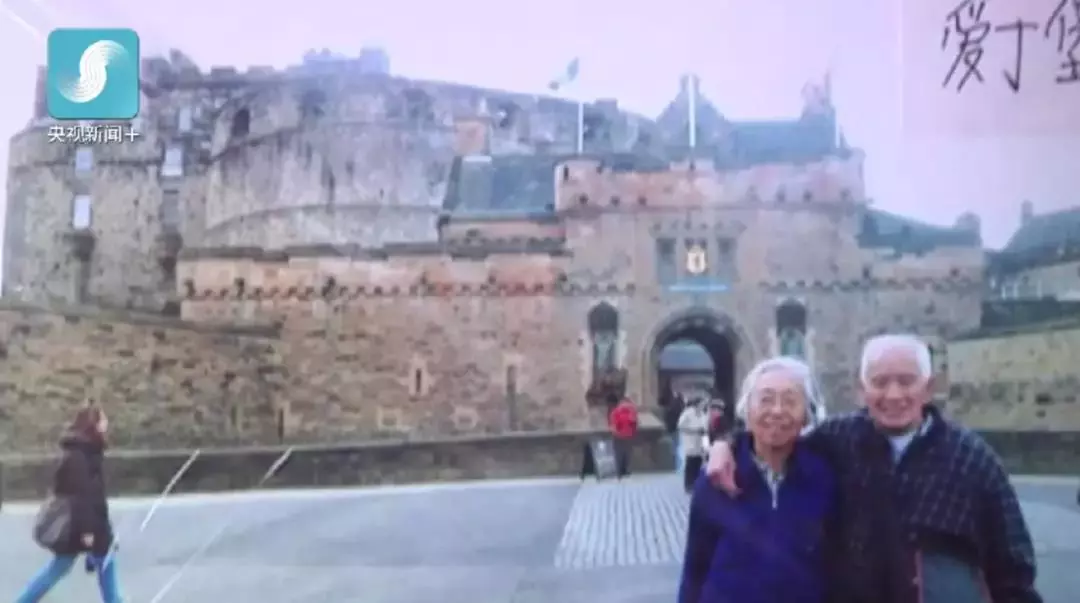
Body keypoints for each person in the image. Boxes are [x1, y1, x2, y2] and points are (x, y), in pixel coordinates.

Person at [704, 335, 1042, 603]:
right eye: (880, 382)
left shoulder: (971, 459)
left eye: (906, 381)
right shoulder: (837, 440)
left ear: (928, 388)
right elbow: (776, 439)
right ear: (861, 390)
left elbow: (1013, 568)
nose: (893, 395)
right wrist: (725, 445)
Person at [678, 356, 837, 603]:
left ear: (806, 415)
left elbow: (835, 565)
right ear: (747, 410)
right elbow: (695, 567)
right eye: (766, 399)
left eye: (790, 401)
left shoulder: (823, 478)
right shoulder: (716, 480)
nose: (777, 411)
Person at [17, 403, 123, 603]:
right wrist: (88, 532)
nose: (107, 422)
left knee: (92, 565)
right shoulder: (79, 456)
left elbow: (96, 496)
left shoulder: (89, 451)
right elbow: (81, 497)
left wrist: (106, 529)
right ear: (94, 424)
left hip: (92, 523)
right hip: (81, 524)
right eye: (103, 419)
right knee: (67, 567)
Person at [676, 399, 709, 493]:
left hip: (699, 441)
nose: (703, 405)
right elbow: (680, 426)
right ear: (697, 404)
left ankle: (695, 483)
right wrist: (693, 430)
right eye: (702, 403)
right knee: (690, 462)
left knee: (698, 462)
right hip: (690, 440)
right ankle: (688, 484)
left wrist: (704, 430)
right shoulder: (688, 413)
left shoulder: (702, 414)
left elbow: (705, 425)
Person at [609, 396, 639, 478]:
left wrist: (615, 431)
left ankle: (621, 471)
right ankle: (622, 471)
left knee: (622, 454)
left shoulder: (619, 411)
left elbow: (634, 422)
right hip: (625, 436)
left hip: (623, 436)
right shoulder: (626, 411)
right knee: (623, 454)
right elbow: (634, 422)